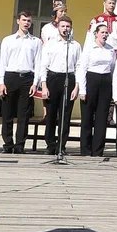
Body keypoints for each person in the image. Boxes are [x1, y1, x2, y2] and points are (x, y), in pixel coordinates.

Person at [36, 16, 80, 154]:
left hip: (69, 78)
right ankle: (50, 144)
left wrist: (77, 86)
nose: (65, 29)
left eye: (68, 26)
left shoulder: (75, 45)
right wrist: (44, 85)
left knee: (65, 115)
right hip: (53, 78)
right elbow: (43, 65)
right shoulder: (50, 44)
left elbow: (79, 66)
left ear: (71, 28)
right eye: (63, 26)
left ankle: (62, 145)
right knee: (51, 114)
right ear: (58, 28)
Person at [0, 11, 40, 154]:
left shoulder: (36, 41)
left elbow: (38, 63)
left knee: (24, 114)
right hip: (10, 77)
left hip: (27, 78)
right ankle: (8, 144)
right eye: (24, 20)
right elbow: (2, 62)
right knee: (7, 113)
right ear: (18, 21)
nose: (26, 23)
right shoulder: (8, 40)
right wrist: (1, 82)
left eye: (28, 20)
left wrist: (35, 83)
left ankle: (20, 145)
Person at [77, 21, 117, 156]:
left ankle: (98, 150)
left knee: (102, 117)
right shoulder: (89, 48)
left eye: (106, 32)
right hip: (91, 79)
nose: (105, 35)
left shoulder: (110, 49)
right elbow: (82, 69)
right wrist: (82, 90)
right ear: (96, 34)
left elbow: (112, 68)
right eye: (102, 32)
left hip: (105, 81)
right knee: (87, 117)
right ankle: (85, 149)